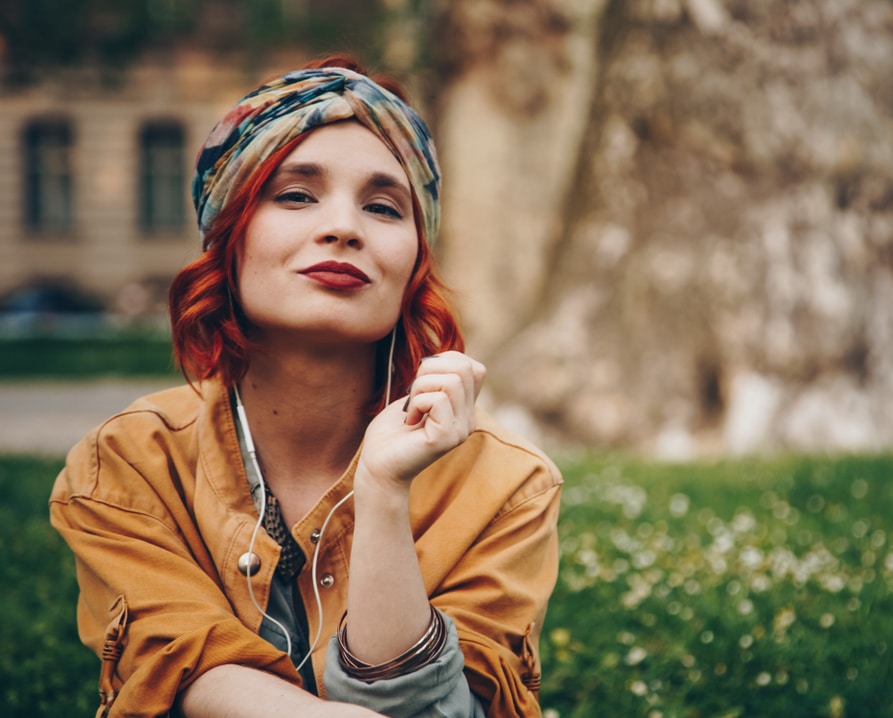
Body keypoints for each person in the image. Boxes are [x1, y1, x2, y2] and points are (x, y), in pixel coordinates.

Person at [49, 54, 562, 718]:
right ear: (227, 239)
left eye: (384, 206)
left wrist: (383, 492)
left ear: (414, 261)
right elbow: (180, 667)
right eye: (295, 195)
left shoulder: (507, 486)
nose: (343, 227)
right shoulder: (123, 468)